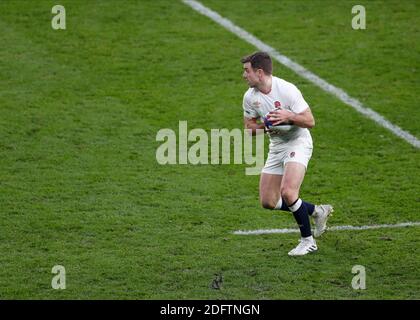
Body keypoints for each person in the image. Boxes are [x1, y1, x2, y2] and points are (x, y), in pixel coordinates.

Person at [241, 51, 333, 256]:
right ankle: (317, 211)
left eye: (246, 71)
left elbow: (310, 121)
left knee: (288, 193)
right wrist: (266, 125)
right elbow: (249, 129)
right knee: (268, 201)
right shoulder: (250, 97)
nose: (244, 75)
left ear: (259, 72)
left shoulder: (287, 90)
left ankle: (307, 241)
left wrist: (289, 117)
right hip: (276, 146)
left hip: (297, 142)